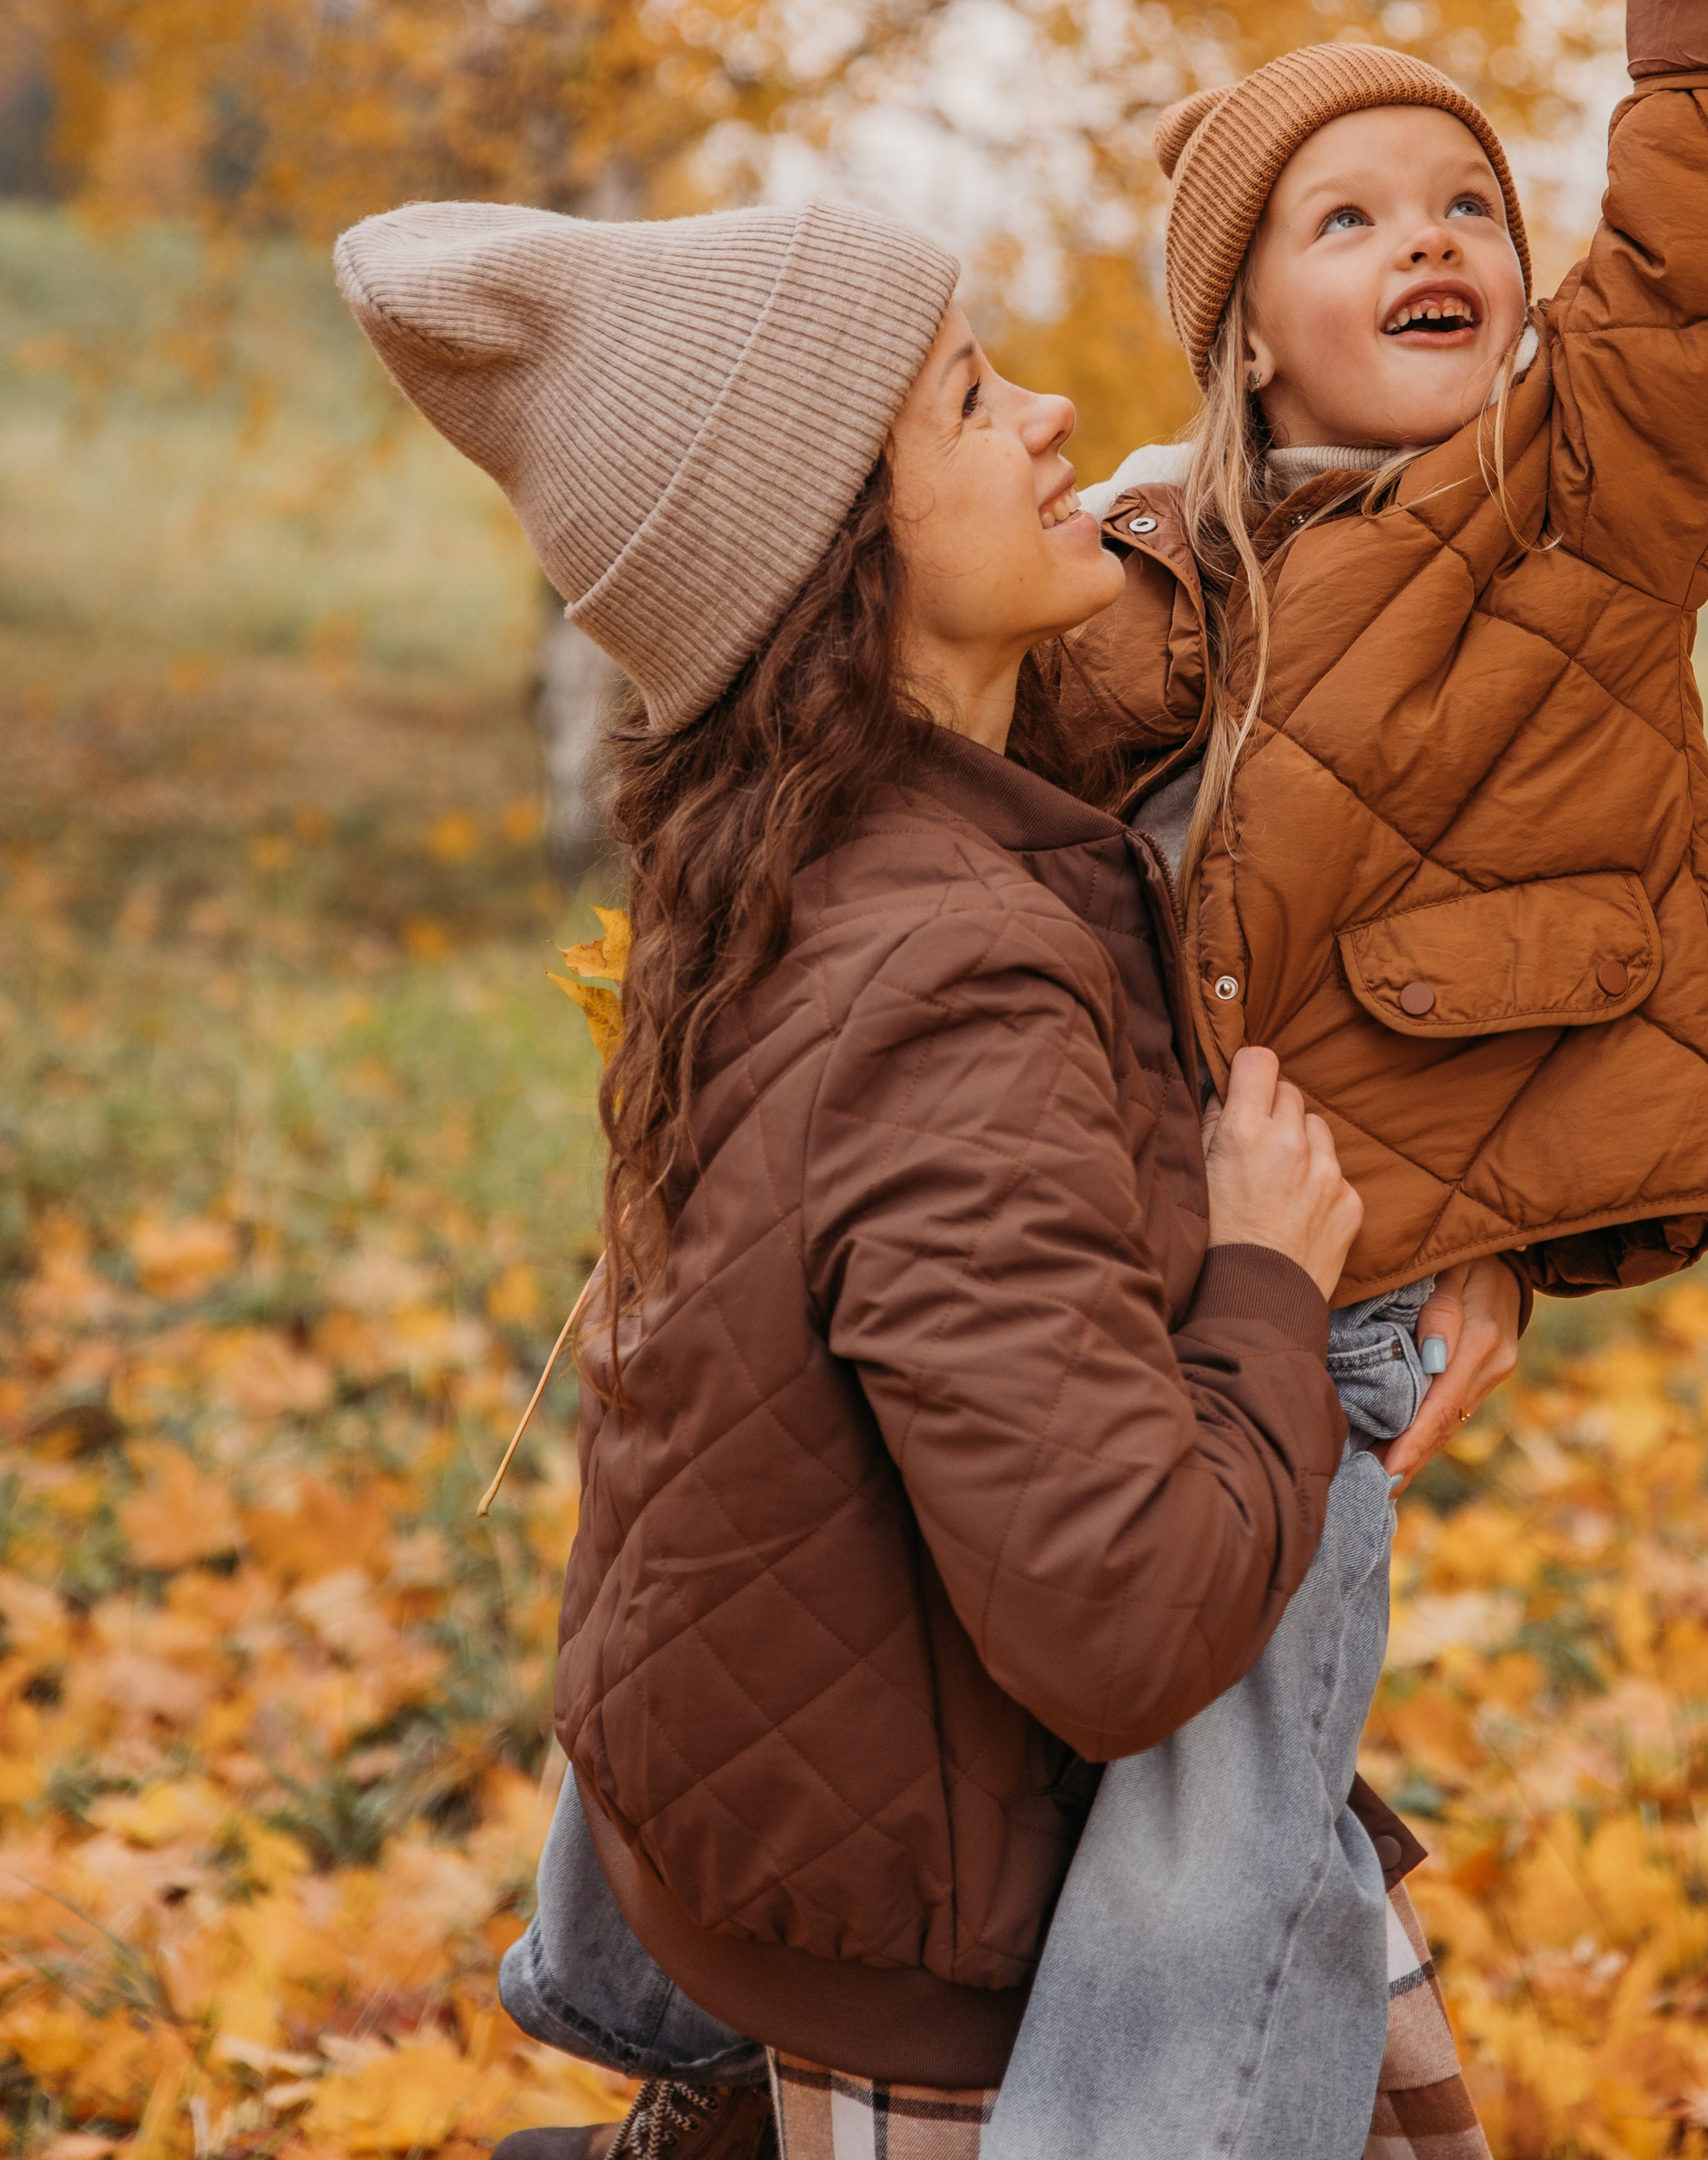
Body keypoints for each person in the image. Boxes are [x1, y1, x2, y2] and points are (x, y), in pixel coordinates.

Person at [332, 195, 1486, 2160]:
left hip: (815, 1806)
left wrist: (1488, 1247)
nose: (1048, 414)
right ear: (841, 556)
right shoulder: (945, 964)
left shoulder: (827, 849)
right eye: (964, 397)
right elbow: (1121, 1621)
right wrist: (1271, 1288)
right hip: (944, 1928)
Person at [979, 0, 1708, 2151]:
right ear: (1246, 327)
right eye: (1345, 221)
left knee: (1205, 1801)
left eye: (1462, 203)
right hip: (1098, 1262)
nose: (1432, 242)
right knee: (1028, 1702)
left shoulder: (1584, 507)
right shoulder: (1158, 566)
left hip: (1337, 1305)